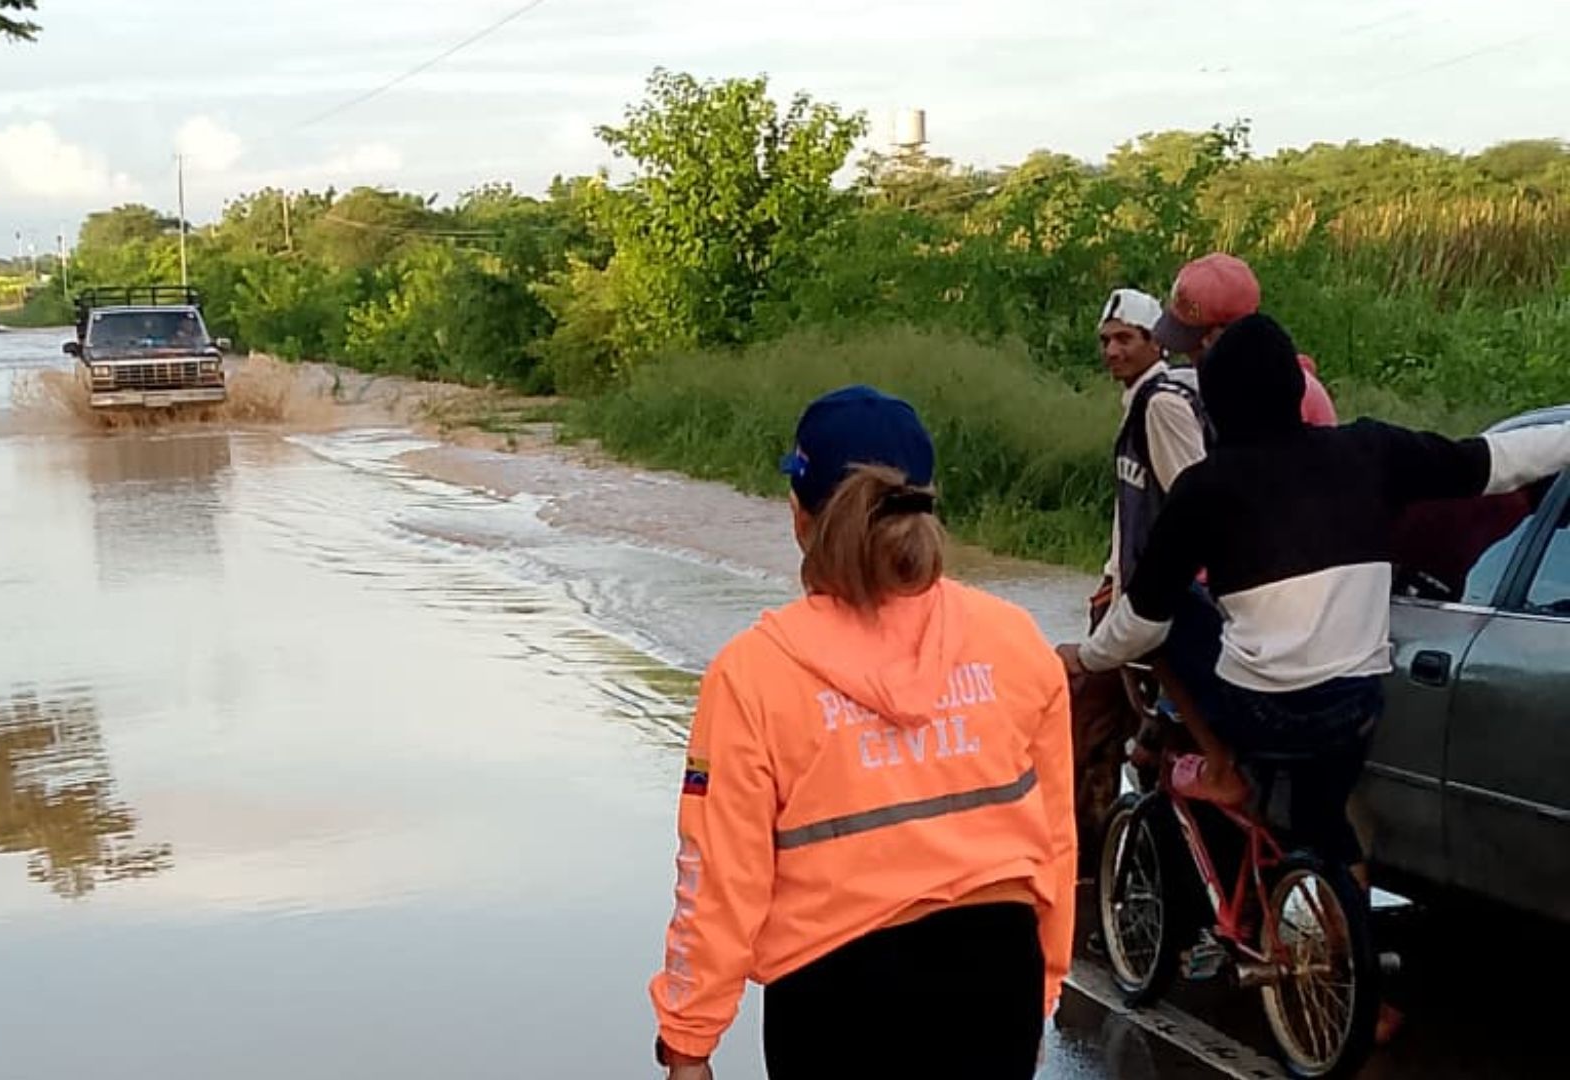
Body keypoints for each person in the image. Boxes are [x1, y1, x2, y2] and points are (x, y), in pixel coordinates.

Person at [648, 386, 1077, 1080]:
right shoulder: (1014, 642)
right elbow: (1055, 842)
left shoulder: (755, 673)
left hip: (835, 997)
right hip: (996, 976)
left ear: (799, 514)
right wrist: (1042, 990)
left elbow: (720, 880)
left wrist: (689, 1041)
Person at [1058, 314, 1570, 884]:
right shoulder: (1371, 450)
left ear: (1218, 403)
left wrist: (1088, 655)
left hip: (1261, 714)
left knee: (1165, 618)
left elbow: (1142, 622)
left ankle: (1222, 767)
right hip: (1353, 710)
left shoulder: (1205, 488)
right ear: (1296, 388)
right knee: (1322, 823)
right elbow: (1500, 459)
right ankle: (1348, 949)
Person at [1074, 288, 1213, 866]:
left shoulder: (1162, 403)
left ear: (1156, 341)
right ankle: (1127, 866)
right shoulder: (1143, 399)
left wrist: (1137, 592)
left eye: (1125, 339)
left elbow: (1192, 500)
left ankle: (1094, 869)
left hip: (1153, 603)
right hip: (1128, 593)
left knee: (1091, 731)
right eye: (1106, 341)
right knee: (1139, 740)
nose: (1112, 351)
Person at [1153, 252, 1339, 426]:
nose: (1189, 355)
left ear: (1220, 337)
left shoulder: (1270, 396)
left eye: (1194, 344)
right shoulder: (1255, 374)